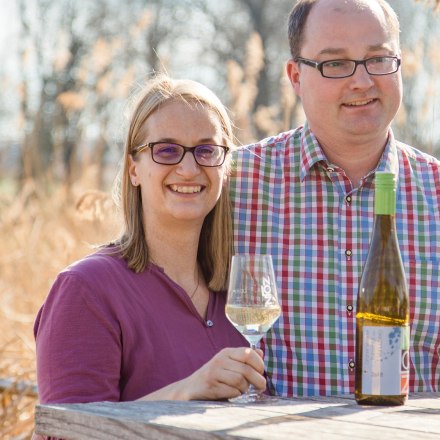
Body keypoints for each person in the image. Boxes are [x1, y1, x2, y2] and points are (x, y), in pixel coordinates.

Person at [232, 0, 440, 400]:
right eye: (335, 64)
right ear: (295, 76)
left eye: (378, 59)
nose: (361, 81)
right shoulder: (236, 184)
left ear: (400, 65)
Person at [34, 75, 267, 404]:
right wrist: (184, 393)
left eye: (206, 150)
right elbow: (67, 432)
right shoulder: (86, 290)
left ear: (225, 167)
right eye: (167, 150)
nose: (188, 168)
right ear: (134, 169)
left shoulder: (236, 295)